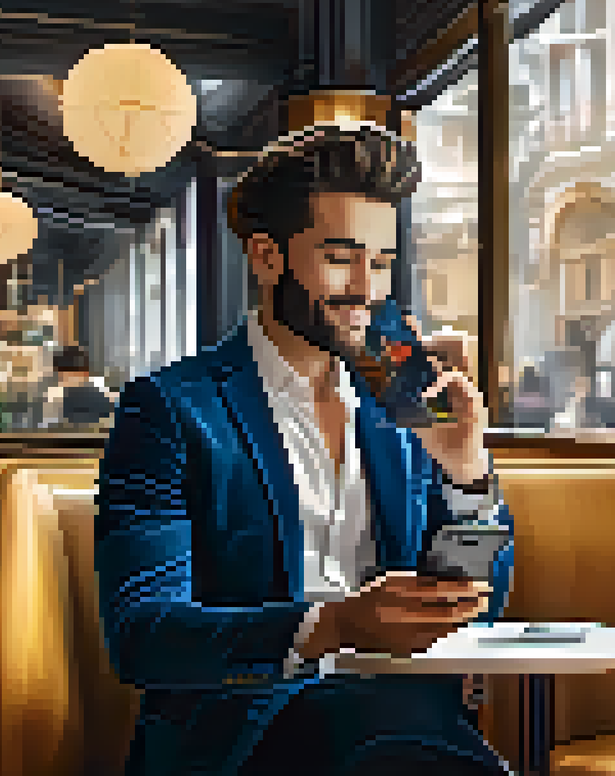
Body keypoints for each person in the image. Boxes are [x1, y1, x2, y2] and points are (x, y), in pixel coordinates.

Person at [95, 123, 514, 776]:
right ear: (267, 258)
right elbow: (143, 635)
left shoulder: (402, 407)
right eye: (341, 258)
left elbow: (482, 603)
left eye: (381, 262)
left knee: (397, 730)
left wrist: (466, 475)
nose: (367, 289)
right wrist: (332, 625)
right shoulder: (171, 409)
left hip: (404, 722)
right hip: (242, 740)